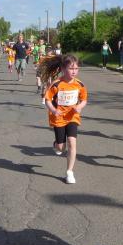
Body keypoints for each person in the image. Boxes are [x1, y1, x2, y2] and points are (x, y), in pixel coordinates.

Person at [39, 55, 88, 184]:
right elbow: (48, 100)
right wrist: (54, 110)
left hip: (72, 117)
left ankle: (69, 172)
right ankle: (56, 144)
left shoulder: (79, 84)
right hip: (59, 118)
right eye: (71, 68)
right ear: (63, 69)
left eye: (76, 69)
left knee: (72, 143)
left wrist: (79, 107)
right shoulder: (57, 84)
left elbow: (84, 100)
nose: (74, 71)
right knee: (61, 148)